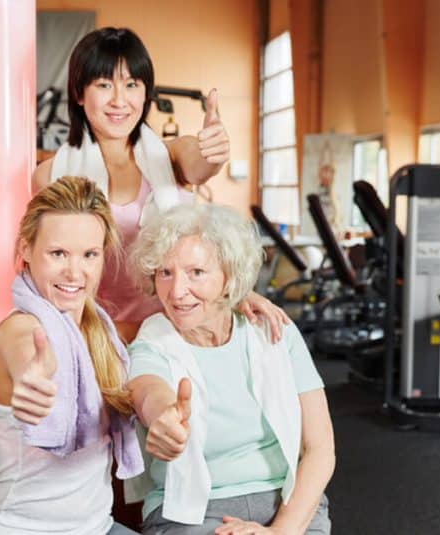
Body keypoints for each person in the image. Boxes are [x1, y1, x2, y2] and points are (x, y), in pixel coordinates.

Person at [31, 27, 286, 343]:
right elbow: (43, 262)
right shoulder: (50, 175)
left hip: (173, 330)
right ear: (80, 93)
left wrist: (213, 151)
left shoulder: (172, 156)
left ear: (145, 93)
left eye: (131, 84)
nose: (119, 100)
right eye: (104, 84)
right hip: (91, 337)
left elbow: (200, 164)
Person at [126, 203, 334, 535]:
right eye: (165, 272)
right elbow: (148, 390)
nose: (177, 291)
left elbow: (321, 448)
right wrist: (164, 419)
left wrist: (281, 531)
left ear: (230, 278)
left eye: (196, 272)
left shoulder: (275, 332)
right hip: (193, 510)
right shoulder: (152, 342)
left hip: (286, 501)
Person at [0, 176, 143, 535]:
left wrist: (231, 301)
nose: (75, 272)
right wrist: (33, 377)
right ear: (27, 250)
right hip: (15, 528)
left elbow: (172, 317)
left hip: (97, 528)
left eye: (89, 255)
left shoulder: (105, 335)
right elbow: (25, 350)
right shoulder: (19, 329)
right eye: (58, 253)